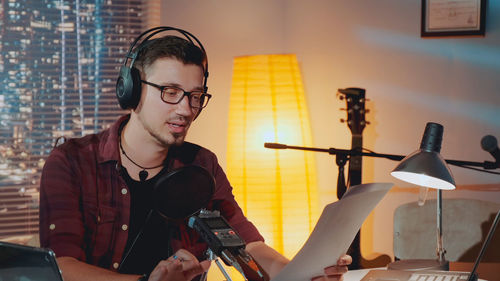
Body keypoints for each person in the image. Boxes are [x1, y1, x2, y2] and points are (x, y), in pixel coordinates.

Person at [39, 27, 351, 281]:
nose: (186, 109)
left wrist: (301, 275)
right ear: (132, 89)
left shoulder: (203, 165)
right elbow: (62, 267)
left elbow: (247, 245)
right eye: (170, 92)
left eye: (196, 96)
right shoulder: (71, 162)